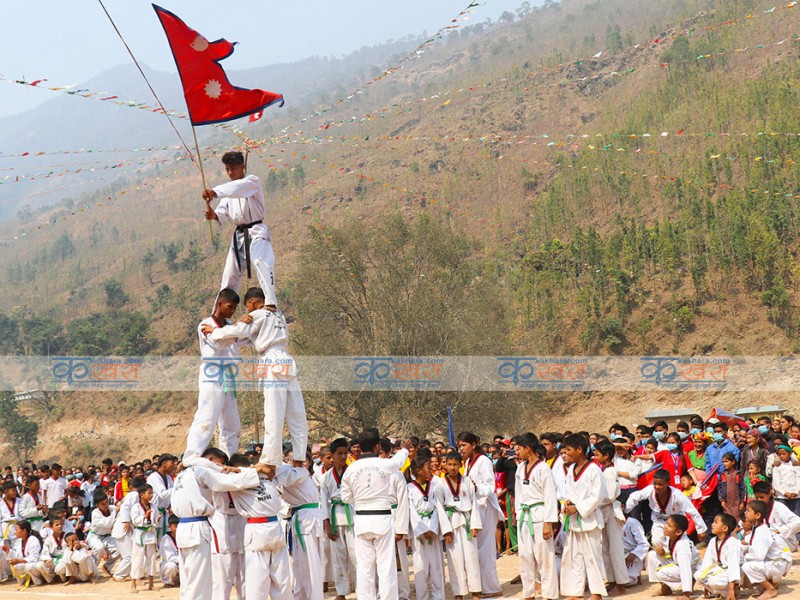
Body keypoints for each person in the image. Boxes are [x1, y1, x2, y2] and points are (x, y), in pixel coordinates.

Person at [203, 287, 308, 479]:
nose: (246, 313)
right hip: (287, 360)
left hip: (272, 361)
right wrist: (237, 329)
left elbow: (239, 331)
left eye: (246, 308)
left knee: (273, 412)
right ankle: (300, 458)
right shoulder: (279, 315)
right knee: (296, 413)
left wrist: (215, 332)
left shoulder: (258, 314)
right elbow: (245, 337)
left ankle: (269, 460)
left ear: (251, 302)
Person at [172, 447, 270, 600]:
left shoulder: (188, 474)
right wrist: (250, 472)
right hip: (219, 523)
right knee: (220, 577)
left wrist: (242, 472)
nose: (221, 466)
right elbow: (225, 482)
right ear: (210, 461)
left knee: (243, 574)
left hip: (238, 521)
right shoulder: (204, 473)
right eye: (220, 463)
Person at [340, 429, 409, 600]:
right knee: (386, 567)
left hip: (362, 520)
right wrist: (405, 449)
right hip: (382, 519)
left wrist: (362, 500)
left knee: (364, 568)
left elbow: (345, 497)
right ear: (378, 446)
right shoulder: (385, 464)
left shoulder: (351, 469)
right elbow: (400, 459)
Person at [203, 150, 278, 307]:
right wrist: (213, 215)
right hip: (239, 236)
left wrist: (214, 192)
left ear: (242, 167)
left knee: (260, 261)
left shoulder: (252, 182)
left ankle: (271, 304)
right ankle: (219, 314)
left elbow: (238, 188)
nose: (230, 172)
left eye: (233, 168)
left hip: (257, 231)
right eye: (227, 169)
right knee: (229, 276)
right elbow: (222, 212)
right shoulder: (229, 193)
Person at [186, 288, 243, 462]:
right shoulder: (205, 325)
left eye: (234, 308)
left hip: (229, 376)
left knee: (232, 424)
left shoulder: (229, 326)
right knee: (207, 418)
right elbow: (219, 342)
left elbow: (242, 338)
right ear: (219, 304)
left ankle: (228, 458)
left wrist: (241, 327)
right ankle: (192, 457)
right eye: (229, 306)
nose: (232, 311)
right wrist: (236, 330)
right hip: (212, 374)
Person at [228, 456, 292, 600]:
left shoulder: (264, 475)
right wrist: (248, 470)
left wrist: (259, 469)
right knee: (257, 581)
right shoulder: (234, 480)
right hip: (256, 529)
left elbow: (283, 469)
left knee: (281, 579)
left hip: (274, 527)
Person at [559, 433, 606, 600]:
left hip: (589, 519)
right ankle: (576, 592)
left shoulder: (594, 469)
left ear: (580, 450)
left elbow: (597, 496)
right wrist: (567, 503)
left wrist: (578, 507)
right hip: (573, 521)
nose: (567, 453)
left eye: (569, 450)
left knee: (592, 557)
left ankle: (596, 593)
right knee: (574, 557)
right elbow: (569, 492)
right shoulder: (571, 469)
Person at [514, 433, 559, 600]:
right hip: (524, 518)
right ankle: (529, 593)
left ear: (528, 449)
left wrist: (549, 522)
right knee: (525, 557)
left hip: (540, 517)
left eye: (519, 448)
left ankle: (549, 595)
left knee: (544, 558)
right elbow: (519, 494)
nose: (516, 452)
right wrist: (518, 514)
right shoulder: (520, 468)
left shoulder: (543, 468)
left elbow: (549, 496)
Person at [458, 432, 503, 597]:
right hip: (475, 509)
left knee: (486, 550)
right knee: (477, 549)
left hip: (486, 507)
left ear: (473, 445)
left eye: (464, 445)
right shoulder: (468, 462)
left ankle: (491, 587)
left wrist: (476, 488)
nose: (461, 449)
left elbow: (491, 486)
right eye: (460, 445)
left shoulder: (484, 461)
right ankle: (481, 585)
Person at [275, 455, 323, 600]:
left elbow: (283, 479)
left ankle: (313, 596)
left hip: (307, 519)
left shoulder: (299, 472)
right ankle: (300, 596)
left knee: (310, 563)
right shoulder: (284, 470)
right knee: (298, 564)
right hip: (301, 517)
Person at [436, 450, 481, 600]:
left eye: (455, 464)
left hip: (467, 521)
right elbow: (440, 508)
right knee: (455, 560)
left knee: (472, 558)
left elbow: (474, 503)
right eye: (449, 464)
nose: (452, 467)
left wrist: (475, 524)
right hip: (451, 523)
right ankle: (459, 593)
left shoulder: (467, 481)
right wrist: (446, 531)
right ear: (445, 466)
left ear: (460, 465)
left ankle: (475, 592)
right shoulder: (441, 484)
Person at [625, 469, 707, 542]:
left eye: (660, 484)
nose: (657, 487)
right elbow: (634, 497)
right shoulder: (650, 490)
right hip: (658, 520)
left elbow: (692, 510)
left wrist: (701, 529)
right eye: (655, 483)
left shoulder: (677, 494)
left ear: (668, 484)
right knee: (657, 544)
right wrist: (626, 512)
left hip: (676, 522)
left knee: (680, 544)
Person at [593, 440, 630, 593]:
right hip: (603, 511)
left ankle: (621, 582)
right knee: (605, 548)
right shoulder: (604, 470)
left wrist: (593, 501)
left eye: (597, 454)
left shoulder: (610, 472)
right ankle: (612, 579)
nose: (595, 457)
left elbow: (608, 496)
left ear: (606, 455)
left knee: (615, 548)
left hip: (611, 511)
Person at [321, 438, 356, 600]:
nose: (343, 457)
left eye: (345, 453)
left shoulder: (353, 473)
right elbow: (323, 501)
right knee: (338, 556)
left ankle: (362, 588)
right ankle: (341, 591)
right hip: (335, 518)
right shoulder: (327, 477)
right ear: (332, 455)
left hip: (352, 517)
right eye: (339, 454)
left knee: (356, 555)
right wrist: (327, 523)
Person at [210, 453, 248, 600]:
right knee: (223, 577)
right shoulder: (218, 477)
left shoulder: (245, 479)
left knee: (244, 577)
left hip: (241, 520)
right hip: (222, 522)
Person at [407, 455, 446, 600]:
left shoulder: (435, 486)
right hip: (419, 533)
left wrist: (432, 528)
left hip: (433, 530)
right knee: (421, 567)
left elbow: (437, 508)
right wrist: (423, 530)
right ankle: (422, 597)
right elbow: (411, 511)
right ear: (419, 471)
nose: (431, 470)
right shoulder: (409, 488)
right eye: (428, 468)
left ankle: (439, 596)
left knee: (436, 566)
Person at [740, 500, 792, 599]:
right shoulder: (757, 528)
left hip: (778, 564)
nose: (745, 513)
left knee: (747, 566)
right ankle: (771, 582)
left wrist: (743, 557)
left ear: (757, 515)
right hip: (775, 562)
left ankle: (770, 589)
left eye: (748, 510)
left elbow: (759, 556)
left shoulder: (762, 531)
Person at [646, 514, 700, 598]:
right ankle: (665, 588)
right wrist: (661, 550)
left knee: (660, 573)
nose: (665, 527)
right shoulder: (670, 537)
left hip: (692, 568)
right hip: (677, 563)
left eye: (669, 526)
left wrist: (686, 594)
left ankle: (690, 585)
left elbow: (685, 568)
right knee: (652, 555)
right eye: (666, 523)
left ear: (678, 532)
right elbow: (671, 550)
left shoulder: (683, 545)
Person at [694, 513, 741, 600]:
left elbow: (733, 565)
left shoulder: (732, 542)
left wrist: (731, 586)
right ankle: (721, 592)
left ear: (725, 528)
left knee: (713, 581)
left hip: (731, 571)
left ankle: (733, 590)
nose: (712, 524)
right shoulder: (713, 541)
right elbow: (707, 562)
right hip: (719, 570)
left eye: (716, 522)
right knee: (698, 575)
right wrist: (706, 586)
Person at [751, 481, 800, 552]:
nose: (759, 500)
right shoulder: (759, 510)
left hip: (786, 544)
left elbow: (798, 522)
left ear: (769, 494)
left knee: (775, 538)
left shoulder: (779, 507)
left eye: (762, 497)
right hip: (768, 542)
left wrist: (779, 531)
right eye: (757, 498)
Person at [130, 483, 160, 593]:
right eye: (149, 493)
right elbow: (134, 521)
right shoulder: (136, 507)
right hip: (140, 536)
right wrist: (145, 517)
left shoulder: (153, 506)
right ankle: (133, 584)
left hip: (151, 534)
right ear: (142, 494)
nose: (151, 495)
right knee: (137, 559)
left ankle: (151, 584)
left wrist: (157, 520)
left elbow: (155, 521)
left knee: (151, 559)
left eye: (152, 493)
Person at [86, 489, 119, 576]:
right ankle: (91, 570)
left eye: (107, 502)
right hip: (95, 536)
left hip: (107, 536)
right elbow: (107, 524)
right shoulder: (95, 513)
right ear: (97, 505)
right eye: (103, 504)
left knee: (119, 549)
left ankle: (107, 567)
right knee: (99, 548)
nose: (106, 505)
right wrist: (115, 512)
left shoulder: (112, 508)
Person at [7, 520, 43, 587]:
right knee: (16, 566)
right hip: (25, 564)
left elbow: (34, 557)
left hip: (35, 565)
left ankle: (38, 581)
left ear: (24, 531)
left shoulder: (33, 540)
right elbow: (16, 555)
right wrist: (8, 551)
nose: (15, 532)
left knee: (29, 566)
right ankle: (22, 582)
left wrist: (19, 561)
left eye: (16, 530)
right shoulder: (19, 541)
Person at [771, 443, 800, 514]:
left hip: (795, 495)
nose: (781, 456)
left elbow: (798, 479)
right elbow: (776, 483)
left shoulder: (795, 466)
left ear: (789, 454)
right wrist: (784, 493)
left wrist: (796, 492)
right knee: (783, 516)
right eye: (779, 454)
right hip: (781, 497)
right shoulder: (777, 467)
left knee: (796, 516)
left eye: (784, 454)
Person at [621, 515, 648, 586]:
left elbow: (644, 544)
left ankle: (636, 575)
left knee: (627, 582)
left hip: (632, 555)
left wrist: (633, 554)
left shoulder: (632, 522)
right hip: (619, 555)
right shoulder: (612, 522)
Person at [718, 452, 745, 520]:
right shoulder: (723, 474)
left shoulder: (737, 474)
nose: (724, 464)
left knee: (737, 519)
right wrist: (722, 500)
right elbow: (720, 488)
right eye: (723, 462)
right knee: (727, 520)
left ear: (733, 462)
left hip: (736, 502)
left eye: (726, 461)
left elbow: (742, 488)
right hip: (726, 502)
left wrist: (742, 502)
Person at [158, 515, 180, 588]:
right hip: (168, 565)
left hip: (180, 563)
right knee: (171, 566)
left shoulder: (183, 537)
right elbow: (170, 558)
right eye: (176, 526)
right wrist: (183, 559)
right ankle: (168, 581)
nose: (178, 529)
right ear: (169, 526)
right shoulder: (166, 539)